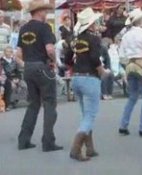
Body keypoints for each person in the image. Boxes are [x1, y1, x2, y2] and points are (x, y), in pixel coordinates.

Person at [17, 0, 63, 152]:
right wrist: (55, 61)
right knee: (50, 103)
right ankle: (48, 141)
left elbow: (18, 54)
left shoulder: (23, 29)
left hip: (28, 67)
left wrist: (27, 64)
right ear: (38, 12)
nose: (46, 13)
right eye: (44, 10)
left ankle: (23, 140)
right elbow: (49, 49)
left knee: (33, 104)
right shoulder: (44, 27)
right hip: (41, 67)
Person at [64, 8, 107, 162]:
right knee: (90, 115)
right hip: (90, 77)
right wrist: (102, 71)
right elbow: (96, 58)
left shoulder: (74, 40)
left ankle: (90, 148)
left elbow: (67, 59)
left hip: (76, 77)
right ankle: (76, 148)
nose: (97, 24)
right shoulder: (94, 38)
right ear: (91, 25)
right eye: (95, 22)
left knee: (85, 114)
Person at [118, 8, 142, 137]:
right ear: (140, 20)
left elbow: (121, 55)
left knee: (132, 96)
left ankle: (123, 124)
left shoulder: (126, 35)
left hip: (130, 65)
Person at [0, 46, 22, 111]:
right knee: (10, 85)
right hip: (6, 78)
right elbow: (4, 73)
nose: (8, 53)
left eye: (10, 52)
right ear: (4, 52)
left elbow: (18, 71)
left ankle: (15, 101)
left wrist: (18, 78)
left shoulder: (14, 61)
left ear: (12, 52)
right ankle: (9, 103)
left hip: (15, 78)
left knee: (24, 85)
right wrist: (12, 81)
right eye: (7, 52)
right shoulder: (2, 61)